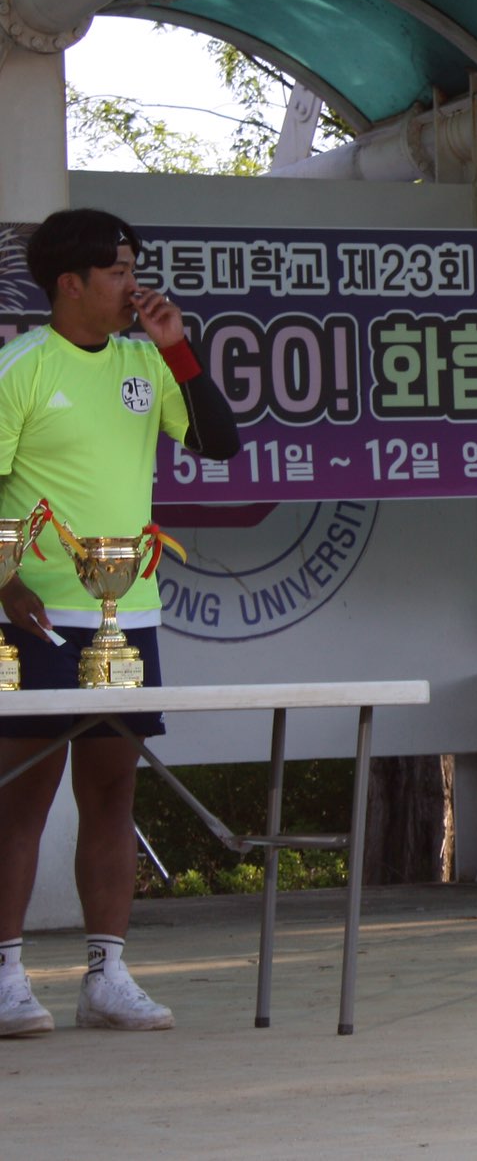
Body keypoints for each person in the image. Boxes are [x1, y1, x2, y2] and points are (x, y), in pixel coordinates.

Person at [0, 208, 240, 1037]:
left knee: (111, 792)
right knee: (21, 797)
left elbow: (220, 442)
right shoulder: (22, 366)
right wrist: (4, 585)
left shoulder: (146, 361)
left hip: (126, 618)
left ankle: (107, 974)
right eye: (118, 272)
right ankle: (5, 974)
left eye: (134, 268)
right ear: (70, 284)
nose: (135, 286)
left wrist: (178, 348)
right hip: (34, 620)